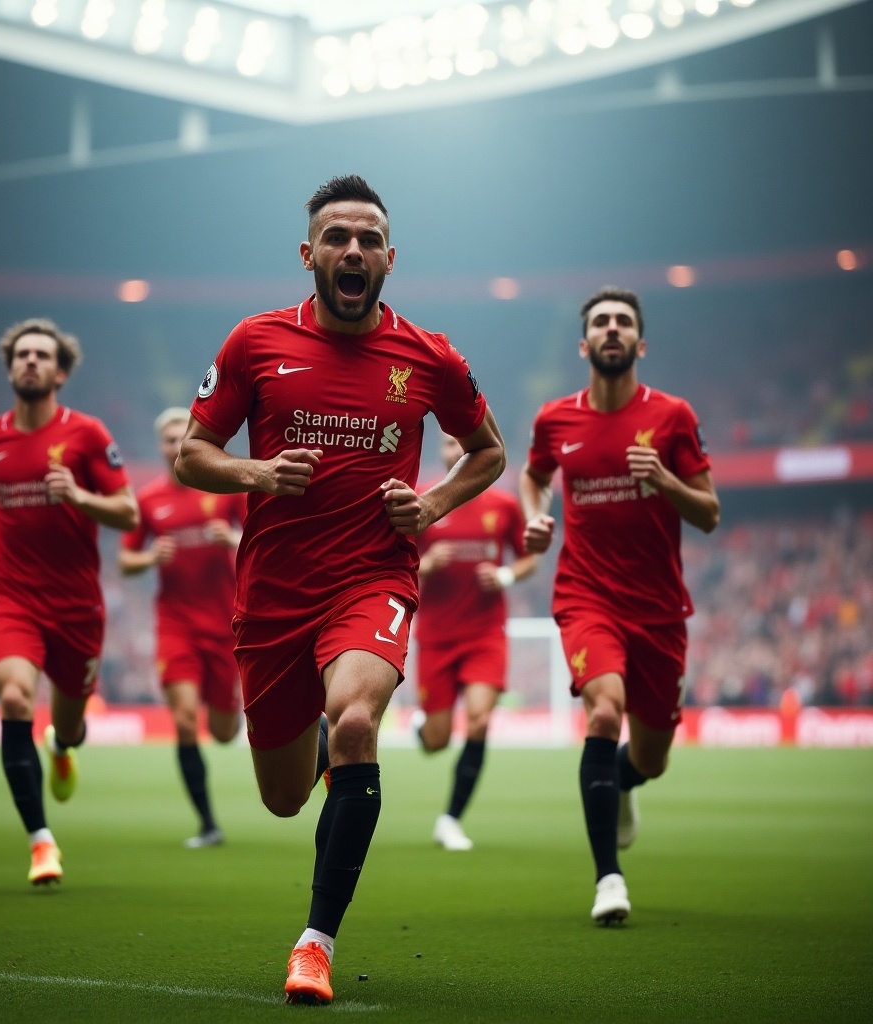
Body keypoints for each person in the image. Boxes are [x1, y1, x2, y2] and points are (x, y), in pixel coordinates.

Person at [175, 175, 505, 1004]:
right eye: (336, 237)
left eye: (367, 240)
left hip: (372, 575)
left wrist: (430, 504)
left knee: (355, 719)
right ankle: (323, 752)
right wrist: (256, 472)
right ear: (309, 254)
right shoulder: (255, 342)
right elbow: (191, 454)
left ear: (390, 258)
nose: (351, 251)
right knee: (285, 799)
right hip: (274, 593)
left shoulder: (430, 358)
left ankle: (315, 943)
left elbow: (489, 452)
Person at [519, 286, 719, 924]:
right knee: (603, 712)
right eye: (601, 322)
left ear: (639, 342)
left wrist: (664, 480)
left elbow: (710, 514)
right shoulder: (556, 419)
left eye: (623, 323)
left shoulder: (673, 417)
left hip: (659, 610)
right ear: (584, 344)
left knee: (652, 758)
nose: (611, 330)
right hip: (586, 596)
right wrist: (535, 516)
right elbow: (532, 475)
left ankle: (625, 784)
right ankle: (609, 877)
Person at [0, 318, 138, 886]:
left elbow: (130, 513)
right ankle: (41, 842)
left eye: (42, 355)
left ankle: (62, 744)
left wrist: (80, 496)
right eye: (22, 355)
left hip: (77, 607)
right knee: (15, 699)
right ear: (10, 367)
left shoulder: (86, 435)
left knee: (72, 725)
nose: (31, 362)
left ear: (60, 371)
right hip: (10, 598)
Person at [119, 407, 245, 849]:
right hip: (176, 625)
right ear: (160, 446)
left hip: (226, 625)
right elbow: (125, 559)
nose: (176, 445)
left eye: (182, 437)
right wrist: (151, 557)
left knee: (226, 733)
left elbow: (263, 540)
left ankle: (233, 720)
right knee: (186, 721)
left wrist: (232, 539)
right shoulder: (149, 499)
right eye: (169, 440)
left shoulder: (225, 490)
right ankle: (208, 823)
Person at [414, 433, 538, 851]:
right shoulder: (422, 500)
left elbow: (528, 557)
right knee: (437, 740)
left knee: (481, 720)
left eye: (464, 445)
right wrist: (424, 566)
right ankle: (424, 728)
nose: (458, 451)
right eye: (450, 445)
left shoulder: (502, 506)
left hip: (485, 634)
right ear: (442, 452)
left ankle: (450, 819)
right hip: (436, 636)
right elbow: (389, 561)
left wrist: (505, 576)